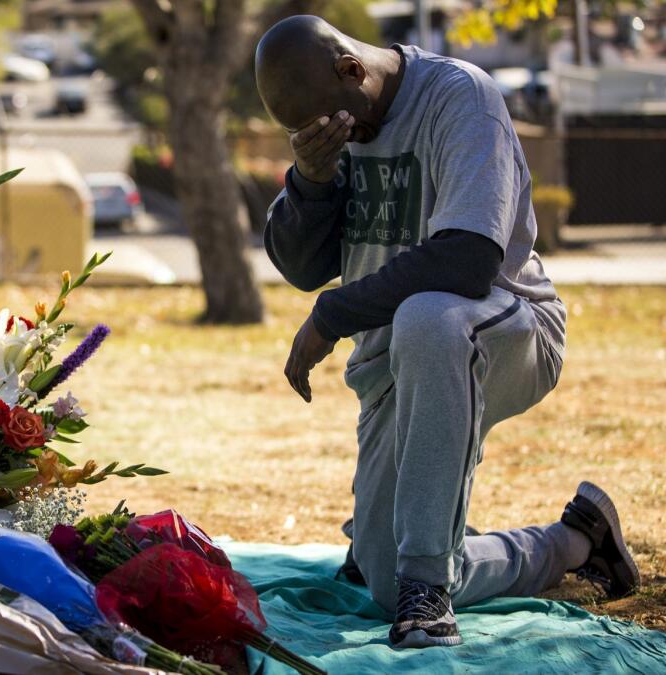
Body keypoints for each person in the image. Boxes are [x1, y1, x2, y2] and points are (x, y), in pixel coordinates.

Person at [255, 16, 640, 649]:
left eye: (327, 126)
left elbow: (466, 261)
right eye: (304, 134)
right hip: (392, 364)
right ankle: (576, 542)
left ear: (352, 68)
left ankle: (429, 596)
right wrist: (311, 179)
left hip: (506, 328)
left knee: (427, 317)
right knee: (384, 576)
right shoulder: (333, 129)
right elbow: (302, 269)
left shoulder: (461, 97)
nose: (329, 139)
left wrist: (332, 315)